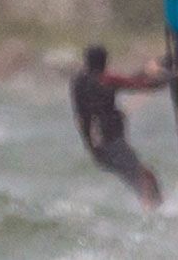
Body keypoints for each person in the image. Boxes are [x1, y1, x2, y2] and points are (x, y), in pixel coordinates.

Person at [70, 45, 167, 209]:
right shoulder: (105, 80)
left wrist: (148, 70)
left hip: (97, 149)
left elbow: (127, 81)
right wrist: (172, 75)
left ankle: (154, 209)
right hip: (112, 143)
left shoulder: (79, 81)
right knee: (146, 178)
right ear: (105, 62)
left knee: (140, 179)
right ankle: (155, 212)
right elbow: (143, 84)